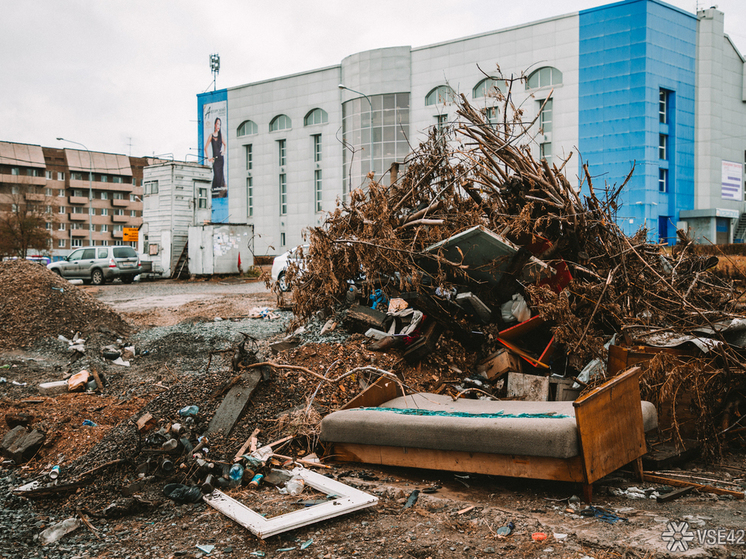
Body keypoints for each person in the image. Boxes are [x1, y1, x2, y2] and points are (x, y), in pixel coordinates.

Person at [205, 117, 227, 197]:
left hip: (221, 159)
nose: (218, 126)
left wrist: (224, 151)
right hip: (215, 160)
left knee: (221, 176)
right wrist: (209, 158)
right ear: (214, 125)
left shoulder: (221, 135)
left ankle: (222, 193)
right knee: (216, 176)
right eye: (217, 124)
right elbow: (205, 147)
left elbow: (225, 144)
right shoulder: (211, 136)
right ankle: (214, 194)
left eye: (220, 124)